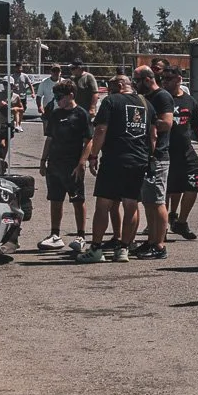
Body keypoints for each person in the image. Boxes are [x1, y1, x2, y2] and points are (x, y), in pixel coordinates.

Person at [77, 73, 152, 263]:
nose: (108, 90)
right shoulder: (145, 103)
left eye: (110, 86)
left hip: (114, 160)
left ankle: (96, 249)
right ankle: (124, 249)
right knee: (131, 204)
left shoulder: (112, 101)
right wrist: (148, 158)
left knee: (104, 204)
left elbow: (100, 129)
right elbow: (153, 135)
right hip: (138, 160)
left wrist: (93, 155)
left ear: (120, 85)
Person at [37, 81, 93, 251]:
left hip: (72, 165)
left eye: (60, 97)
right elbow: (50, 138)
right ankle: (55, 234)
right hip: (55, 163)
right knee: (55, 200)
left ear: (70, 95)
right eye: (55, 97)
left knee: (77, 200)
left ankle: (81, 235)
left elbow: (88, 141)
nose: (57, 100)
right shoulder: (55, 114)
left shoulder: (81, 114)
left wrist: (82, 162)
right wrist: (42, 160)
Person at [129, 65, 177, 259]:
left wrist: (147, 123)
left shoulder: (162, 97)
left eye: (137, 80)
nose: (135, 84)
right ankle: (150, 241)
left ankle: (159, 245)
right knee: (148, 201)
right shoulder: (143, 98)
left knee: (158, 201)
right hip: (144, 155)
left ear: (148, 80)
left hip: (159, 156)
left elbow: (167, 123)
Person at [162, 67, 198, 239]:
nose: (165, 81)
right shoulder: (160, 99)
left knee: (193, 183)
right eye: (163, 78)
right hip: (165, 151)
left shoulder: (190, 101)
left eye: (169, 78)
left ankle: (181, 222)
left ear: (179, 79)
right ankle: (162, 228)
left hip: (186, 151)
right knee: (165, 190)